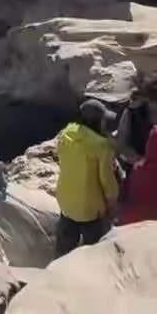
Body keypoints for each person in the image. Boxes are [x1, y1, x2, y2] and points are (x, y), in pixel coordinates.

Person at [55, 99, 119, 257]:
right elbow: (107, 181)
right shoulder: (102, 146)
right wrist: (112, 204)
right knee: (96, 252)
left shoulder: (66, 133)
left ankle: (58, 267)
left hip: (66, 202)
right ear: (98, 121)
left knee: (64, 250)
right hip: (90, 209)